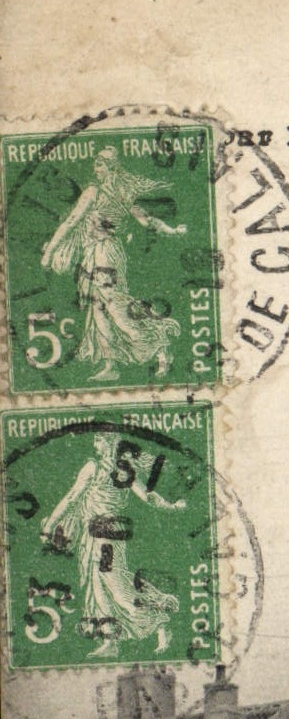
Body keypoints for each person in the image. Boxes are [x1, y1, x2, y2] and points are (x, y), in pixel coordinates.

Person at [40, 146, 186, 382]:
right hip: (103, 254)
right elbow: (148, 221)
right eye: (95, 164)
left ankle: (158, 343)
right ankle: (112, 364)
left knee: (114, 305)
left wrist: (50, 252)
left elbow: (70, 222)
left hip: (103, 255)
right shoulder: (123, 195)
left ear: (110, 168)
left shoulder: (93, 193)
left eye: (99, 165)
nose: (95, 169)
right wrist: (172, 230)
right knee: (98, 308)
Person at [39, 433, 183, 658]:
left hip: (103, 537)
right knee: (99, 585)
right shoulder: (124, 469)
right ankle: (110, 641)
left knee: (114, 584)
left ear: (109, 441)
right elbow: (149, 497)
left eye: (98, 439)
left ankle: (159, 620)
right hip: (105, 536)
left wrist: (49, 525)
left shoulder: (94, 467)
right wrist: (172, 507)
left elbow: (71, 498)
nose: (94, 443)